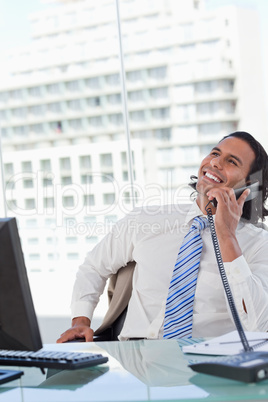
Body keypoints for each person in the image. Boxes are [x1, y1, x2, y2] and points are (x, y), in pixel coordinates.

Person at [57, 131, 268, 343]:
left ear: (251, 185)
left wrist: (227, 236)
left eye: (231, 161)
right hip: (137, 356)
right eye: (215, 153)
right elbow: (93, 266)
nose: (215, 163)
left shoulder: (259, 243)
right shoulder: (146, 219)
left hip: (211, 361)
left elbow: (258, 323)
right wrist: (81, 321)